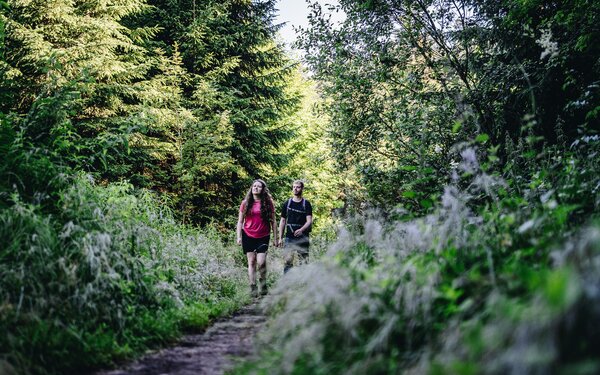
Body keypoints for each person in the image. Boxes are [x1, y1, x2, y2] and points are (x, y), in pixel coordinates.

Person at [236, 179, 277, 297]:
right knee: (252, 261)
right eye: (254, 186)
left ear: (263, 189)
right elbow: (240, 222)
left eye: (259, 186)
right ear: (251, 188)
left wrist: (275, 238)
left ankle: (263, 284)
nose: (256, 188)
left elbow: (273, 221)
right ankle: (253, 287)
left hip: (263, 235)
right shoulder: (245, 203)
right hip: (248, 234)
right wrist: (238, 237)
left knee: (261, 262)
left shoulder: (268, 202)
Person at [277, 180, 313, 274]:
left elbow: (309, 221)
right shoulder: (287, 203)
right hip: (289, 237)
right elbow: (283, 221)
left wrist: (301, 230)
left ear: (302, 188)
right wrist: (280, 238)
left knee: (304, 261)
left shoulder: (306, 204)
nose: (295, 189)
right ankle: (287, 282)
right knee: (288, 261)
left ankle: (303, 282)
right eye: (294, 187)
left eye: (298, 187)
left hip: (303, 237)